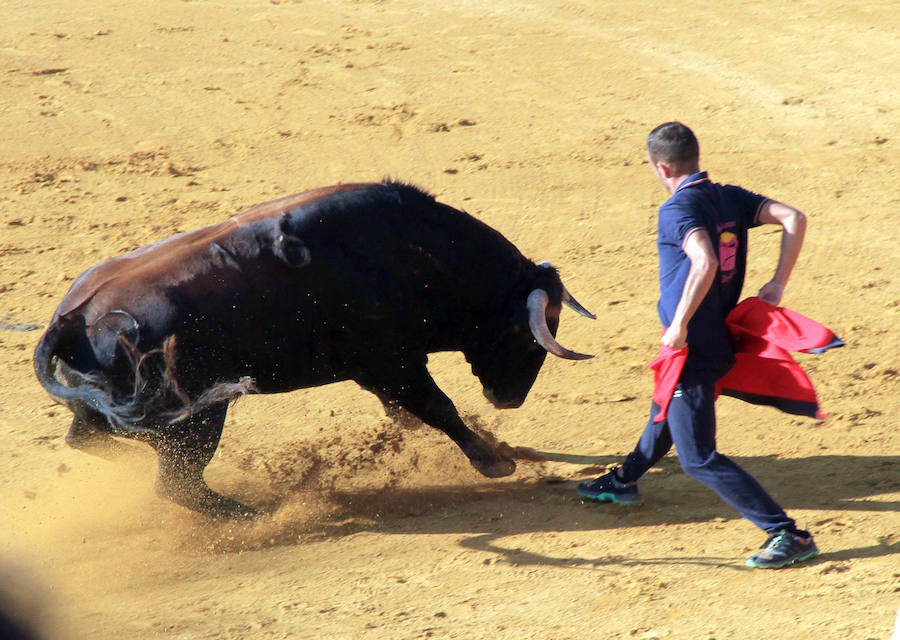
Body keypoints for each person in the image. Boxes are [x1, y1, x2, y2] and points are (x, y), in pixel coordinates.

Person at [578, 122, 819, 569]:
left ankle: (787, 533)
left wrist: (681, 324)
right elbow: (794, 218)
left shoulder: (677, 209)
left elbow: (704, 260)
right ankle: (624, 480)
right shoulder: (728, 195)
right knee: (666, 406)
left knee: (698, 457)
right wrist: (777, 282)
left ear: (660, 167)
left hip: (696, 346)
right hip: (715, 337)